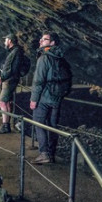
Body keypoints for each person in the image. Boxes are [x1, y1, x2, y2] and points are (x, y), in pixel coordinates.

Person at [29, 31, 71, 164]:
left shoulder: (44, 58)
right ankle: (51, 153)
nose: (41, 41)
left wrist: (33, 99)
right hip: (57, 98)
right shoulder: (61, 59)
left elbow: (38, 81)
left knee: (38, 123)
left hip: (44, 98)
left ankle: (44, 153)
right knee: (53, 126)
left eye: (45, 39)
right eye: (41, 39)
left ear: (52, 43)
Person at [0, 34, 26, 134]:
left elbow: (12, 68)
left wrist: (2, 78)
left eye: (5, 40)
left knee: (1, 102)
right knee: (6, 102)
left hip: (10, 80)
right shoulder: (15, 51)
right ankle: (6, 125)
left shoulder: (15, 52)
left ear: (10, 41)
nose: (4, 42)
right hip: (10, 79)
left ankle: (5, 125)